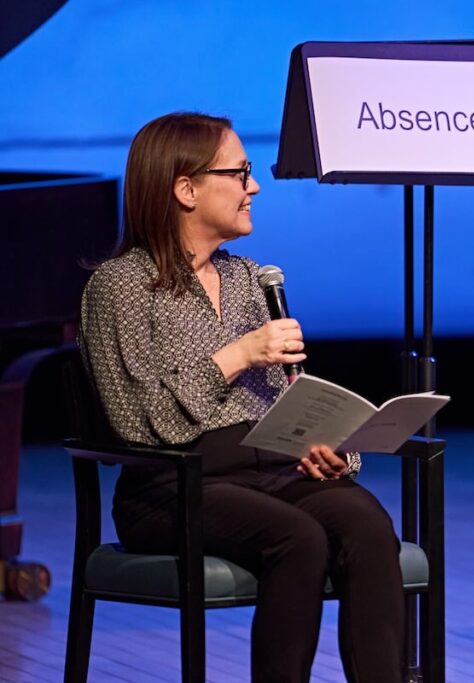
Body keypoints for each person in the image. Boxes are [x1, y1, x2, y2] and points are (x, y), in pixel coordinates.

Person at [79, 112, 404, 683]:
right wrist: (237, 354)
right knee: (298, 538)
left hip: (272, 469)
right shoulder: (120, 286)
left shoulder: (250, 279)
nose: (254, 187)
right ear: (186, 188)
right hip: (174, 484)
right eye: (241, 173)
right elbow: (140, 423)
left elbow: (290, 398)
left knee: (367, 523)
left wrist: (324, 447)